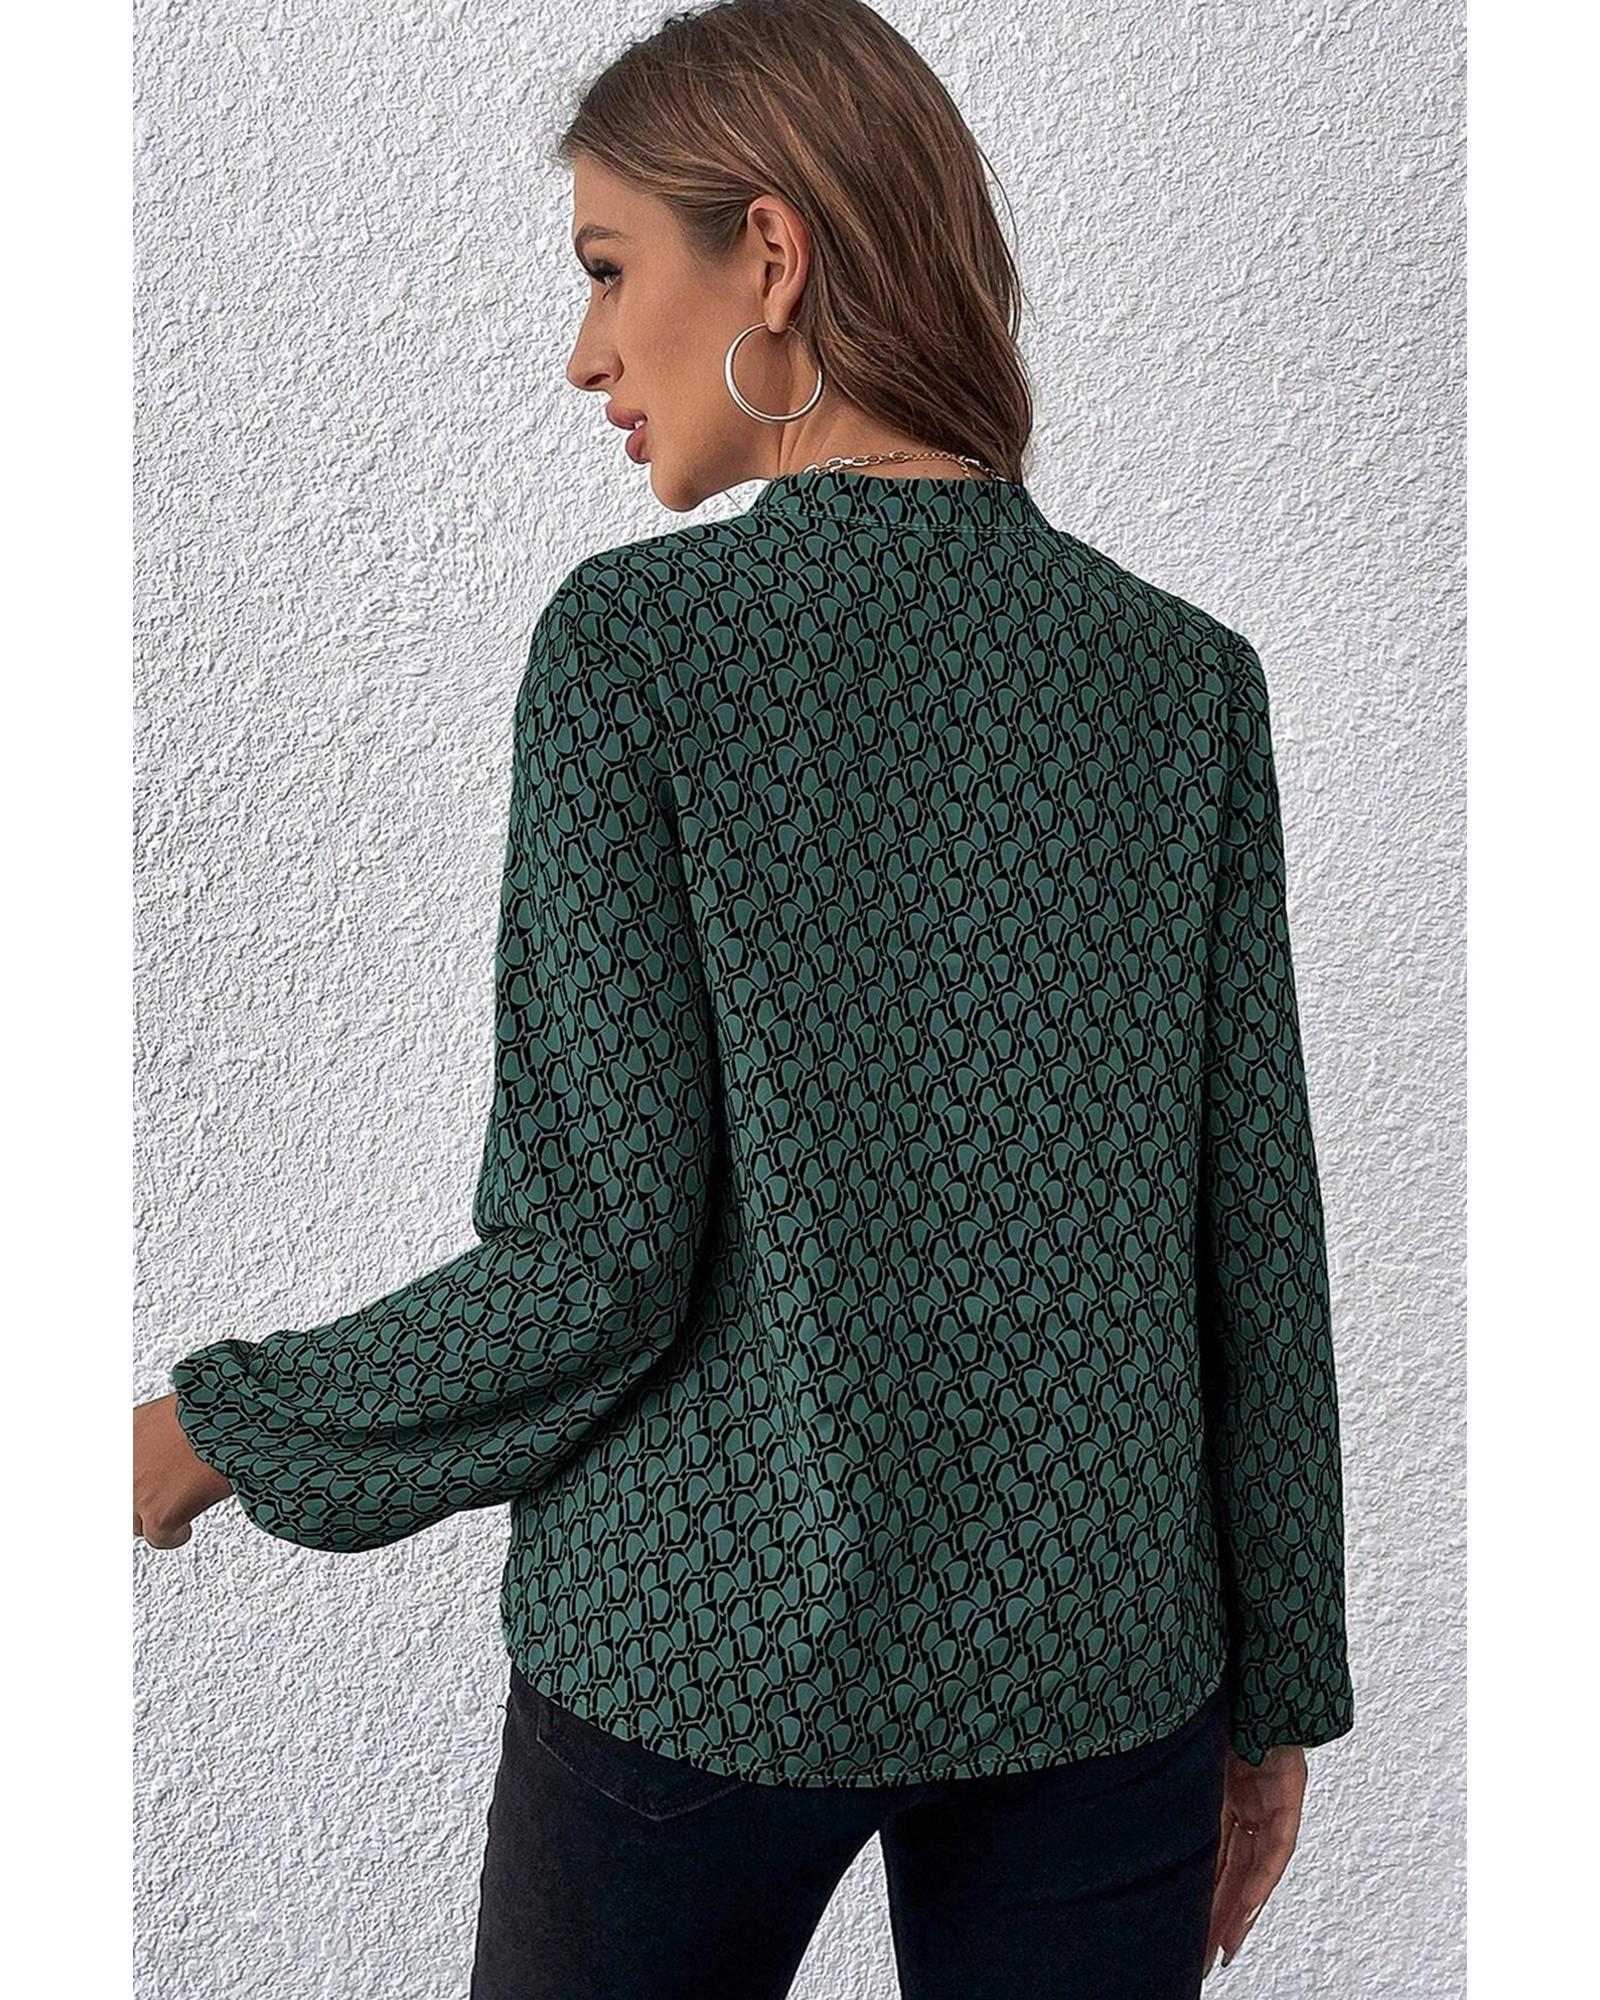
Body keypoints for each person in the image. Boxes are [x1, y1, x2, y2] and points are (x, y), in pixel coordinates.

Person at [133, 2, 1356, 1994]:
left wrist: (208, 1431)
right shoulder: (1179, 681)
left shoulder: (637, 649)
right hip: (1106, 1668)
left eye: (610, 269)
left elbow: (597, 1261)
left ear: (769, 257)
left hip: (693, 1662)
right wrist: (1276, 1691)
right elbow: (1255, 1232)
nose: (586, 352)